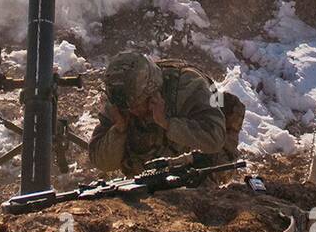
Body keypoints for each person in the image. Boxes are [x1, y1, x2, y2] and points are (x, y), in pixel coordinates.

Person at [88, 51, 241, 174]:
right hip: (153, 167)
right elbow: (101, 162)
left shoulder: (189, 86)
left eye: (136, 105)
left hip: (200, 154)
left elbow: (215, 139)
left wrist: (167, 123)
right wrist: (118, 130)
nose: (131, 111)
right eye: (127, 107)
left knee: (217, 168)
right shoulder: (119, 98)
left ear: (152, 93)